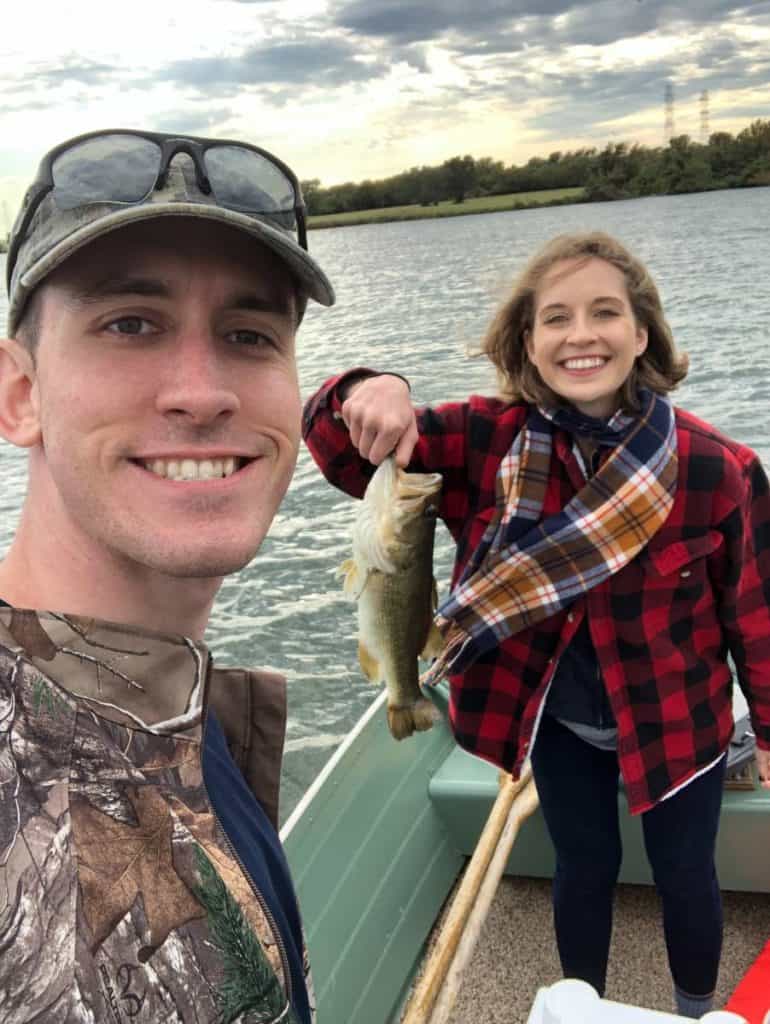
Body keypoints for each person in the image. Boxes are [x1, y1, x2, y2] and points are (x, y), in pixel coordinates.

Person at [302, 231, 770, 1019]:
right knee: (581, 864)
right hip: (554, 719)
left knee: (686, 871)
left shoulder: (716, 466)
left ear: (642, 332)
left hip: (677, 721)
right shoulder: (486, 439)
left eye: (604, 313)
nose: (580, 334)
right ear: (527, 340)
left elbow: (757, 620)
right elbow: (342, 454)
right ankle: (578, 1004)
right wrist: (369, 386)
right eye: (555, 318)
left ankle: (694, 1010)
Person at [0, 129, 335, 1024]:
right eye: (130, 324)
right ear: (20, 395)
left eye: (249, 333)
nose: (202, 390)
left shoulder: (155, 703)